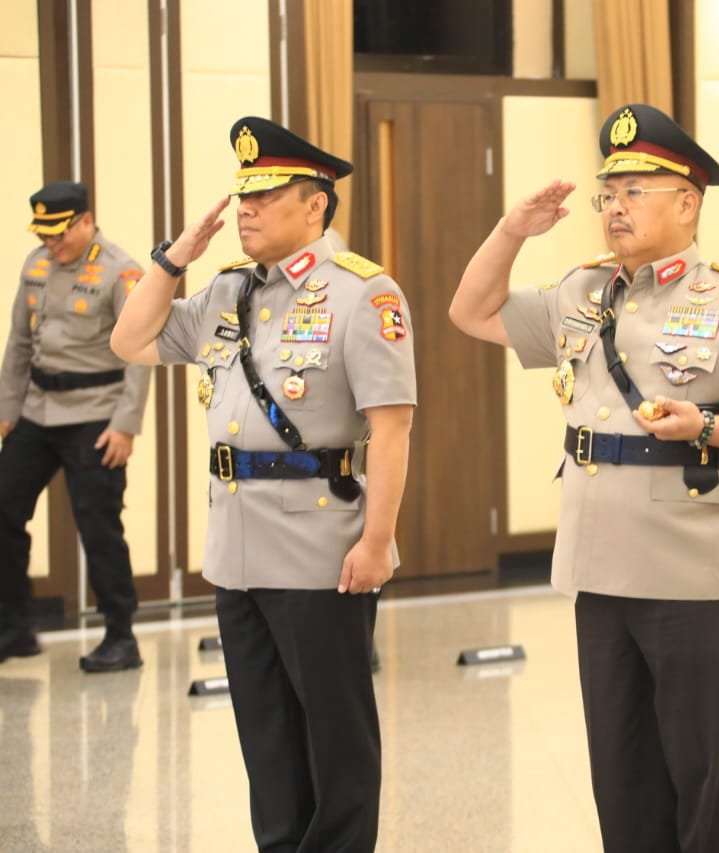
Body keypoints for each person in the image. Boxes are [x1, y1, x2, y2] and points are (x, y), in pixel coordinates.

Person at [450, 103, 719, 852]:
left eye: (635, 192)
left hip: (697, 578)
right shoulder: (581, 292)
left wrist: (706, 426)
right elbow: (470, 310)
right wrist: (512, 230)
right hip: (601, 571)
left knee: (706, 787)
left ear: (687, 202)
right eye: (608, 194)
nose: (615, 208)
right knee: (623, 784)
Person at [111, 117, 416, 851]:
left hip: (319, 547)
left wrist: (377, 541)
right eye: (242, 195)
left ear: (315, 204)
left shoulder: (363, 294)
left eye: (264, 196)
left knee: (335, 736)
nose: (245, 209)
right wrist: (174, 259)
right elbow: (129, 339)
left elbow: (393, 428)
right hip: (236, 548)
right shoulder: (228, 290)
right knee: (266, 737)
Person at [0, 181, 150, 671]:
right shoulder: (36, 265)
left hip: (95, 415)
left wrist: (126, 425)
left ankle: (121, 635)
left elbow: (139, 353)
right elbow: (19, 344)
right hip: (37, 411)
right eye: (44, 234)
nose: (52, 243)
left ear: (86, 221)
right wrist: (7, 409)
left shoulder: (120, 271)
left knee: (98, 526)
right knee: (4, 508)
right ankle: (12, 627)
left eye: (60, 233)